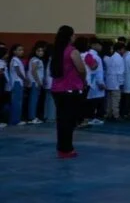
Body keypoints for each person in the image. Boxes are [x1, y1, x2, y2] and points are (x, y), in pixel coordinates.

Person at [49, 26, 86, 157]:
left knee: (62, 120)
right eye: (73, 34)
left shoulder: (56, 51)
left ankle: (62, 148)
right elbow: (81, 69)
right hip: (70, 89)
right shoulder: (72, 51)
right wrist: (83, 81)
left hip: (57, 89)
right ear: (70, 36)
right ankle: (67, 148)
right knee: (69, 121)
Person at [84, 39, 105, 125]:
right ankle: (93, 118)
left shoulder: (87, 54)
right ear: (94, 45)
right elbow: (97, 71)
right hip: (94, 81)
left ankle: (89, 117)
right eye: (100, 45)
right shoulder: (95, 57)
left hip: (89, 81)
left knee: (90, 99)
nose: (101, 47)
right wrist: (100, 82)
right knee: (95, 100)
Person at [103, 42, 125, 122]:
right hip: (116, 83)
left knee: (109, 100)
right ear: (119, 49)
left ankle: (108, 114)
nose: (124, 51)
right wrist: (121, 83)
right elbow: (120, 72)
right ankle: (116, 115)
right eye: (123, 49)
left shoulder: (111, 57)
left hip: (109, 82)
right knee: (116, 100)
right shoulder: (119, 58)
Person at [27, 43, 46, 124]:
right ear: (35, 51)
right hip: (35, 82)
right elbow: (33, 71)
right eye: (38, 51)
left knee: (34, 100)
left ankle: (33, 116)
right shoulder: (35, 60)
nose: (41, 52)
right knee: (33, 100)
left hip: (36, 82)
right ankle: (32, 117)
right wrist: (38, 82)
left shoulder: (37, 60)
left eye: (42, 51)